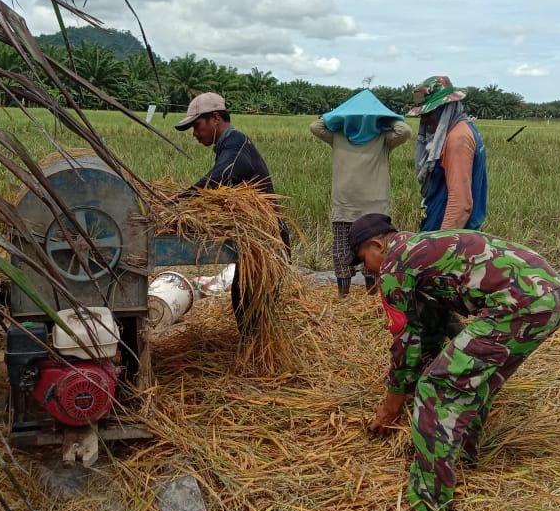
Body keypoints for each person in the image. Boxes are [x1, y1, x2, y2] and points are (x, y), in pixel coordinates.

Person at [349, 212, 560, 511]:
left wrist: (392, 405)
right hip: (552, 294)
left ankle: (429, 506)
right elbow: (435, 325)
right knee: (472, 379)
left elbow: (405, 342)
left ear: (376, 245)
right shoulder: (420, 248)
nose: (365, 271)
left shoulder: (394, 265)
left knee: (436, 388)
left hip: (522, 302)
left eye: (362, 261)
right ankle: (463, 458)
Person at [174, 92, 289, 333]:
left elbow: (218, 180)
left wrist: (176, 204)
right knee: (245, 300)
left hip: (268, 239)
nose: (195, 133)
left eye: (197, 125)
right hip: (259, 238)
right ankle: (254, 352)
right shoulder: (229, 145)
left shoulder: (235, 145)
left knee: (250, 303)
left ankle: (258, 358)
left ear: (215, 118)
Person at [310, 90, 411, 298]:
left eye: (366, 116)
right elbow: (315, 126)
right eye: (356, 116)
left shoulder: (382, 138)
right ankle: (343, 297)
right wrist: (339, 115)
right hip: (344, 207)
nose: (361, 121)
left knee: (373, 254)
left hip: (373, 210)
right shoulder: (338, 136)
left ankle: (372, 296)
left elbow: (404, 131)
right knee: (341, 255)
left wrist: (386, 118)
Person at [407, 76, 487, 231]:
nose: (423, 120)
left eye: (428, 112)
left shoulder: (458, 139)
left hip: (453, 237)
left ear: (444, 108)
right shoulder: (464, 129)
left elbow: (461, 203)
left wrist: (442, 245)